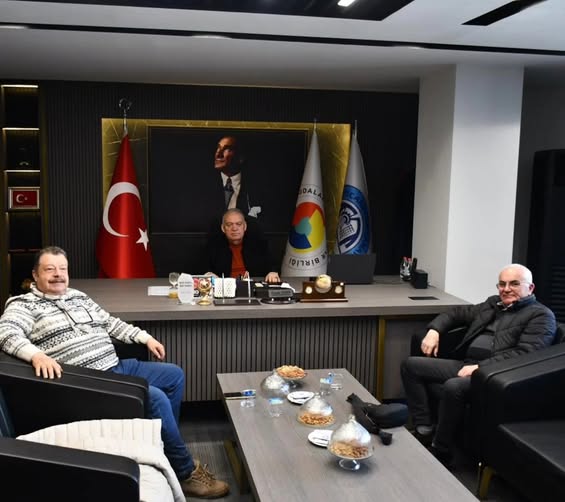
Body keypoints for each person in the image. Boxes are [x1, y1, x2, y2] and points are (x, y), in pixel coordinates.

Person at [0, 246, 229, 499]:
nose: (58, 275)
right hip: (90, 380)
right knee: (155, 397)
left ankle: (166, 450)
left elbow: (110, 322)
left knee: (173, 375)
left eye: (62, 269)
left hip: (116, 365)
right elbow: (6, 333)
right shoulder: (24, 304)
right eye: (50, 269)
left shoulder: (78, 296)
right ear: (35, 275)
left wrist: (145, 338)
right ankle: (184, 471)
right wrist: (37, 355)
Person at [401, 263, 556, 466]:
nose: (506, 289)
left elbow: (525, 354)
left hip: (495, 376)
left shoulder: (541, 316)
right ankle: (424, 429)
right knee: (410, 365)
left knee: (453, 386)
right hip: (466, 364)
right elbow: (456, 314)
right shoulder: (493, 304)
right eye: (502, 284)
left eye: (514, 284)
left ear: (531, 288)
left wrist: (481, 368)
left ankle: (441, 449)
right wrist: (434, 330)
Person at [207, 208, 280, 283]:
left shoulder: (259, 245)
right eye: (229, 224)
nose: (234, 228)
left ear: (245, 227)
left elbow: (272, 267)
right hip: (225, 288)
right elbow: (206, 271)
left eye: (238, 224)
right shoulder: (213, 247)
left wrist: (272, 272)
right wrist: (209, 275)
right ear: (223, 228)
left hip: (253, 286)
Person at [214, 135, 261, 219]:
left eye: (227, 149)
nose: (218, 154)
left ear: (241, 157)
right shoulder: (202, 185)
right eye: (218, 148)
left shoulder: (257, 186)